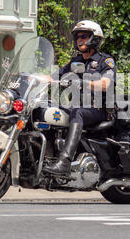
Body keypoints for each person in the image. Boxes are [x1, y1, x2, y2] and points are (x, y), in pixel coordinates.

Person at [43, 20, 116, 176]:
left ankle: (64, 162)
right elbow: (55, 76)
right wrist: (32, 78)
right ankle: (46, 159)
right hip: (78, 106)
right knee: (46, 110)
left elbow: (106, 84)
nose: (80, 40)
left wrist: (84, 82)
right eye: (77, 37)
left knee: (78, 112)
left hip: (98, 109)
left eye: (84, 36)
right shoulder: (76, 61)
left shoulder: (105, 61)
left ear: (95, 38)